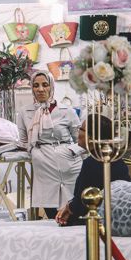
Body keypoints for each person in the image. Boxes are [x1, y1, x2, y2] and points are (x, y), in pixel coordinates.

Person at [17, 71, 83, 220]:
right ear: (32, 88)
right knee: (52, 213)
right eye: (36, 85)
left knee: (75, 209)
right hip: (44, 165)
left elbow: (81, 140)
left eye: (45, 85)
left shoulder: (67, 111)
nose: (40, 89)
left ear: (51, 86)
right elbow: (23, 140)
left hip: (69, 165)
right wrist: (35, 152)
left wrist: (70, 151)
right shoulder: (25, 112)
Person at [55, 114, 131, 226]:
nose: (78, 132)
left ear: (92, 137)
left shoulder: (92, 163)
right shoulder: (116, 159)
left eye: (81, 129)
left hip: (98, 221)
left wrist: (69, 208)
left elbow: (82, 203)